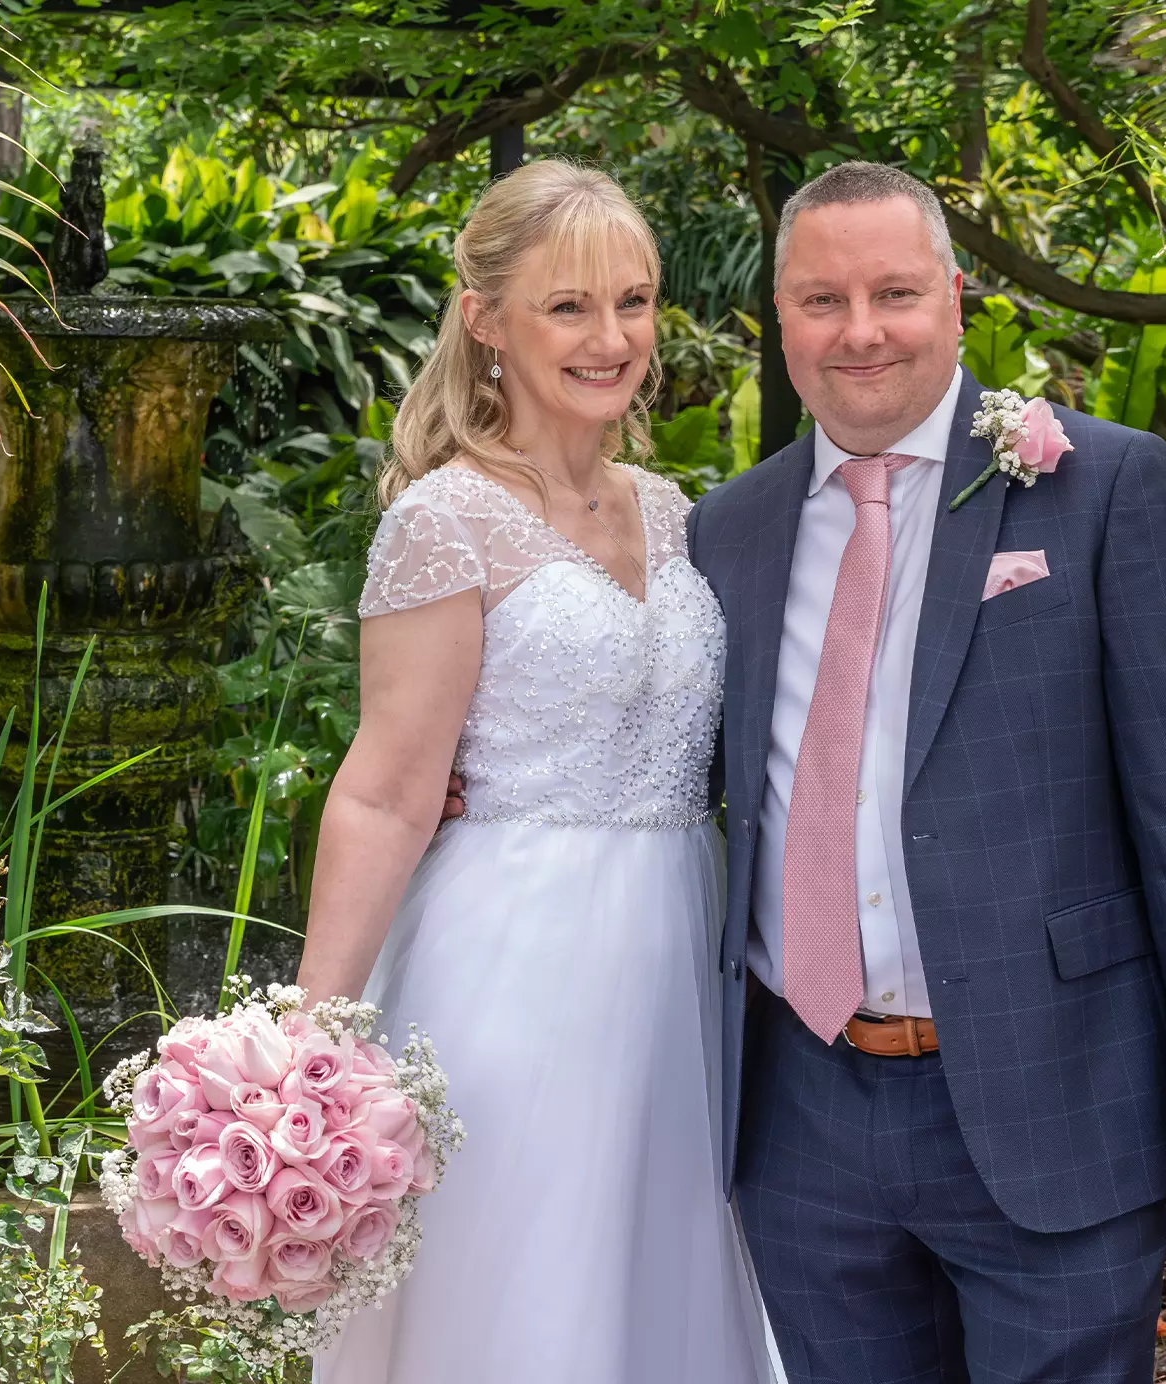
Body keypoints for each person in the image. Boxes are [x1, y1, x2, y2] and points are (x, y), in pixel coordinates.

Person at [691, 160, 1166, 1383]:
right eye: (821, 300)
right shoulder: (728, 529)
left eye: (894, 293)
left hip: (1052, 1091)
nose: (860, 331)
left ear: (955, 297)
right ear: (780, 317)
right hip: (801, 1120)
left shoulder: (1100, 485)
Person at [295, 159, 774, 1384]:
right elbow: (384, 790)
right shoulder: (442, 521)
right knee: (522, 1293)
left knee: (661, 1287)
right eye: (568, 306)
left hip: (682, 967)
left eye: (633, 300)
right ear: (485, 320)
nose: (611, 338)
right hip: (512, 966)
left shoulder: (678, 513)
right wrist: (309, 1041)